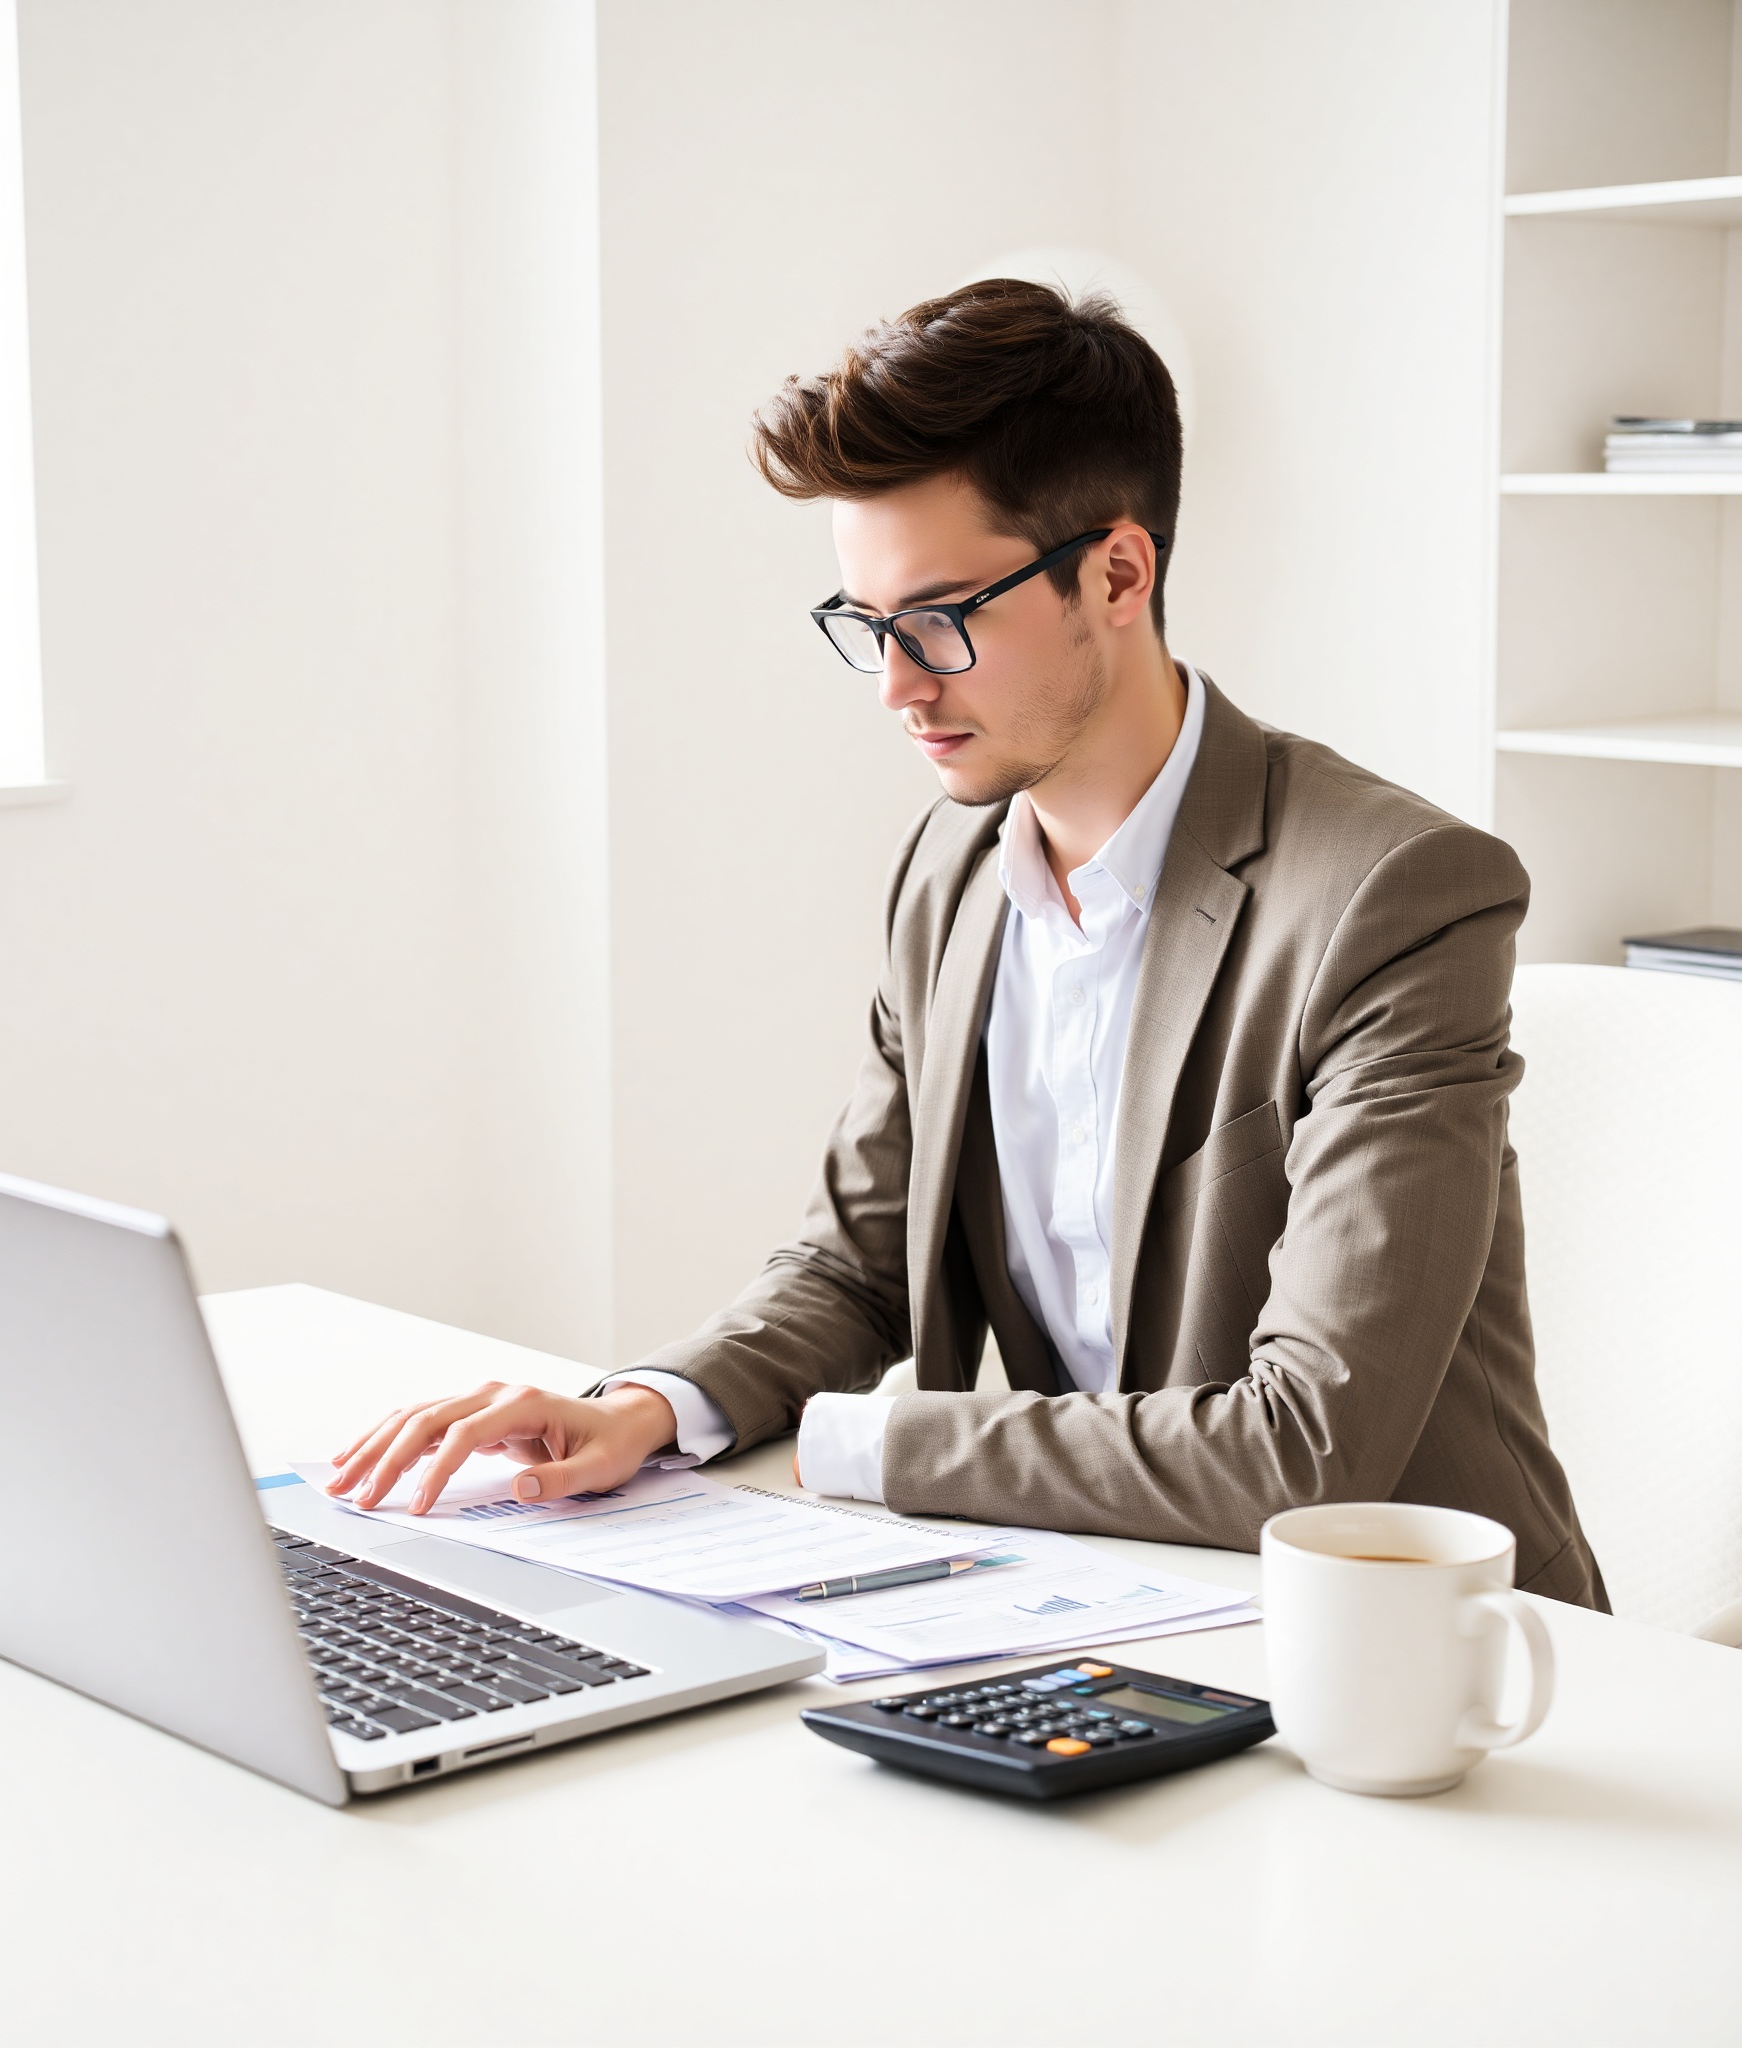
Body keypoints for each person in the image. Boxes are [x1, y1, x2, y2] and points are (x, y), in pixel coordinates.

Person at [328, 278, 1604, 1607]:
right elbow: (859, 1261)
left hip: (1430, 1664)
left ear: (1116, 572)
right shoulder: (954, 874)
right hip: (1115, 1609)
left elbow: (1302, 1450)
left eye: (940, 619)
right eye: (865, 626)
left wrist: (860, 1441)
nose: (896, 685)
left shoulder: (1395, 899)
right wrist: (653, 1408)